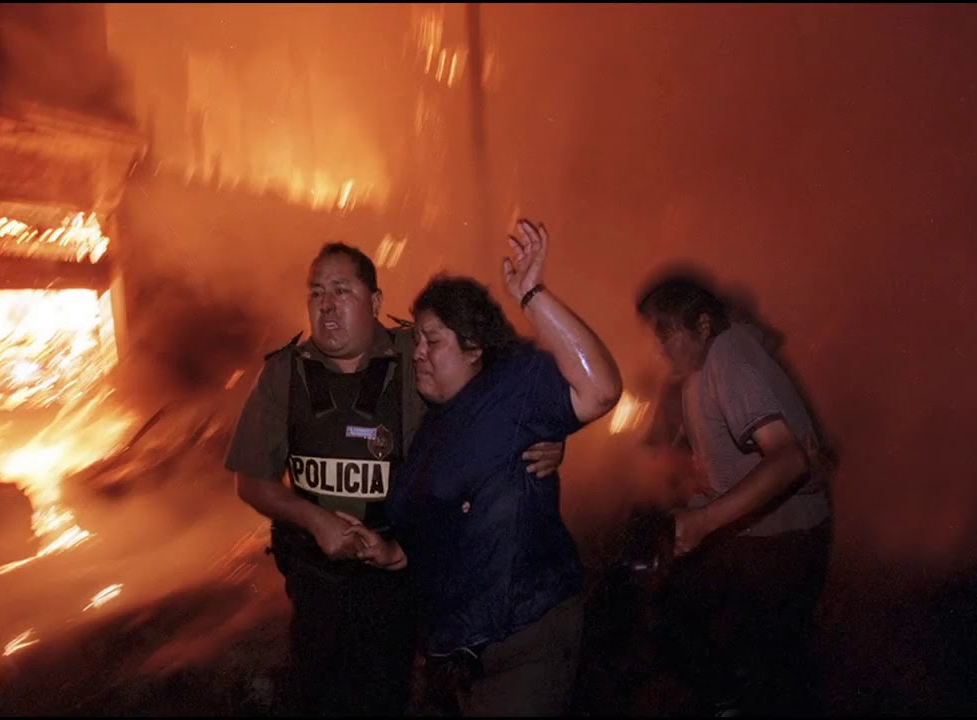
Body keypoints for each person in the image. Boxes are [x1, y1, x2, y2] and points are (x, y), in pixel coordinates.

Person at [224, 241, 566, 716]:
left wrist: (545, 435)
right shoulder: (285, 374)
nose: (327, 305)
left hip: (400, 573)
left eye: (342, 291)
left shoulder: (416, 356)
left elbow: (497, 386)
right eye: (317, 292)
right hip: (315, 579)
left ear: (376, 303)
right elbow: (251, 480)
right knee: (314, 690)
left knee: (386, 692)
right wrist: (313, 519)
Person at [344, 219, 623, 716]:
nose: (419, 354)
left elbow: (600, 389)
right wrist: (389, 552)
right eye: (417, 342)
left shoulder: (514, 385)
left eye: (433, 340)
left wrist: (532, 293)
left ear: (474, 349)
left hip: (523, 638)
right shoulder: (433, 430)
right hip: (456, 651)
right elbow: (442, 527)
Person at [635, 271, 835, 715]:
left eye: (666, 333)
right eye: (656, 335)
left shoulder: (731, 355)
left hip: (781, 541)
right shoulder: (696, 376)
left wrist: (704, 520)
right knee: (682, 624)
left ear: (703, 326)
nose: (659, 347)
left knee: (760, 661)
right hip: (749, 536)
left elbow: (788, 458)